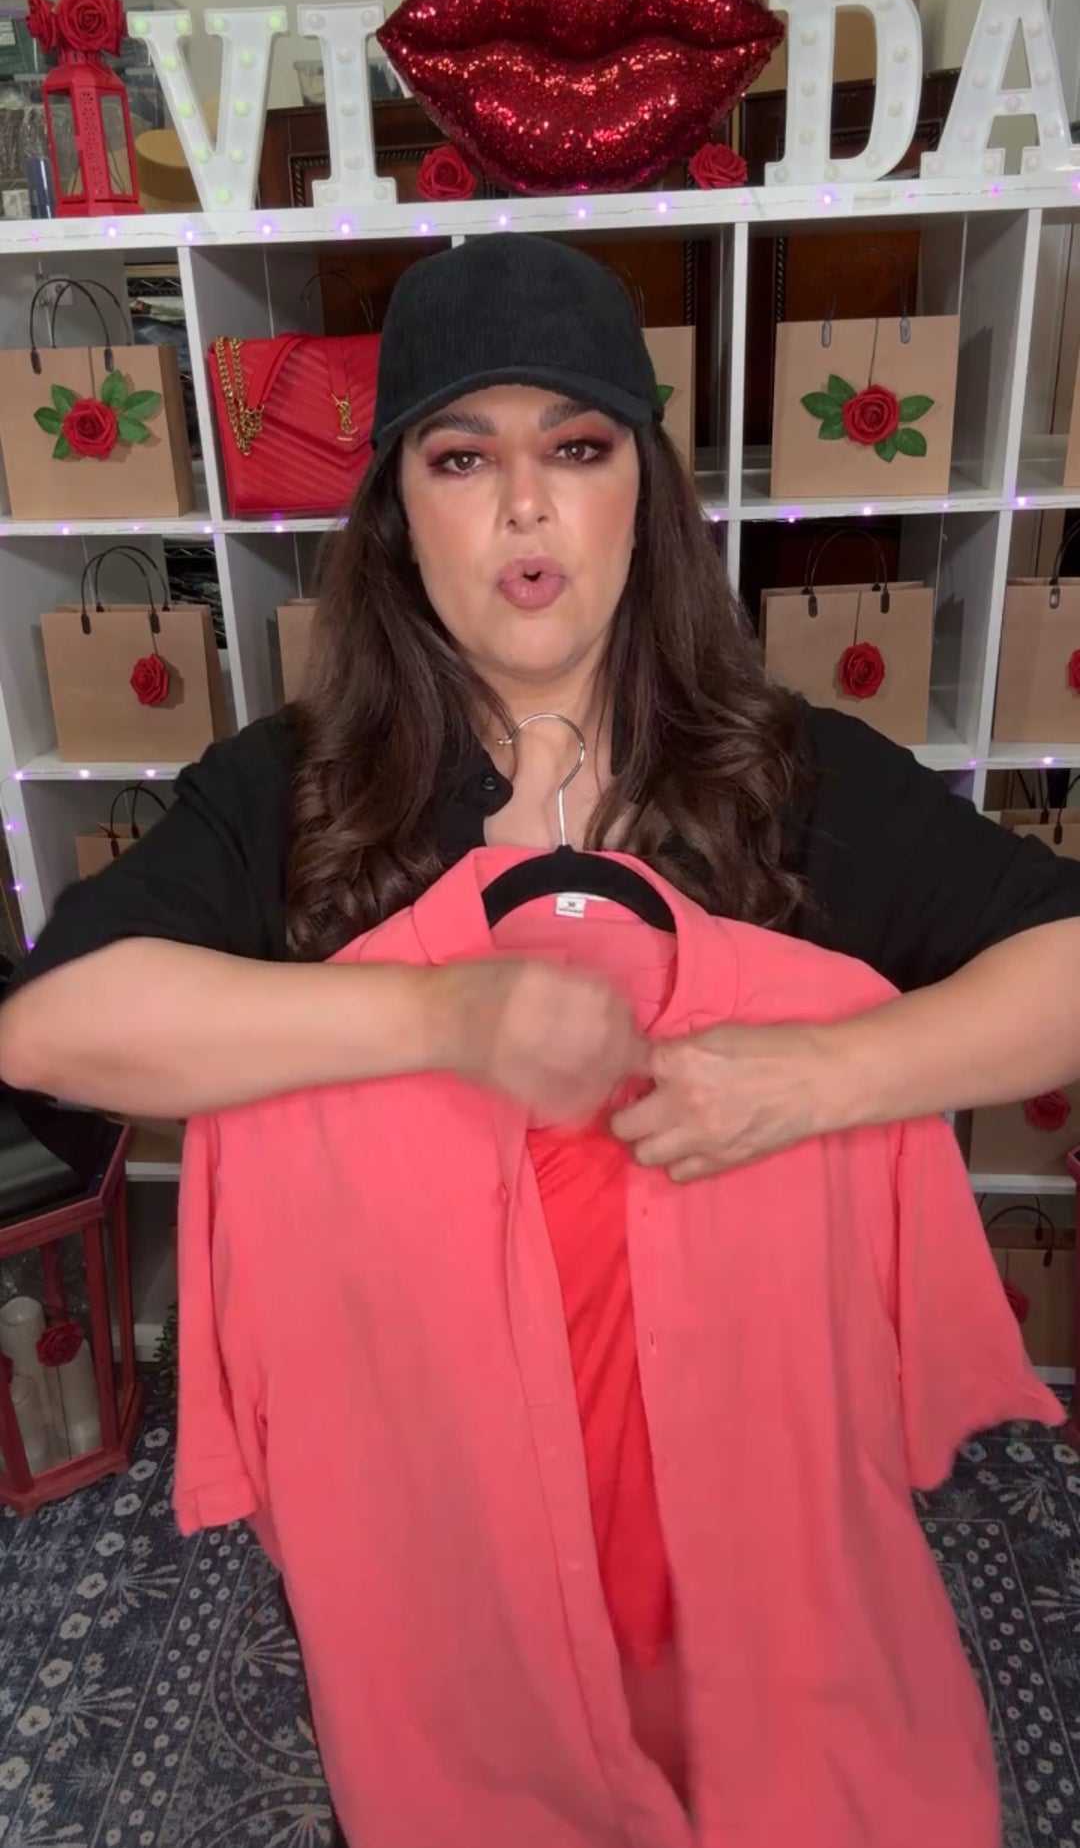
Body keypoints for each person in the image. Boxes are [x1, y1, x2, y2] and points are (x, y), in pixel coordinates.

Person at [1, 235, 1079, 1844]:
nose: (524, 507)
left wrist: (829, 1070)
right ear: (397, 510)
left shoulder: (782, 779)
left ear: (644, 491)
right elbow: (56, 1027)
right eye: (462, 458)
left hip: (750, 1473)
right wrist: (436, 1011)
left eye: (575, 449)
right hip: (449, 1506)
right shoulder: (299, 794)